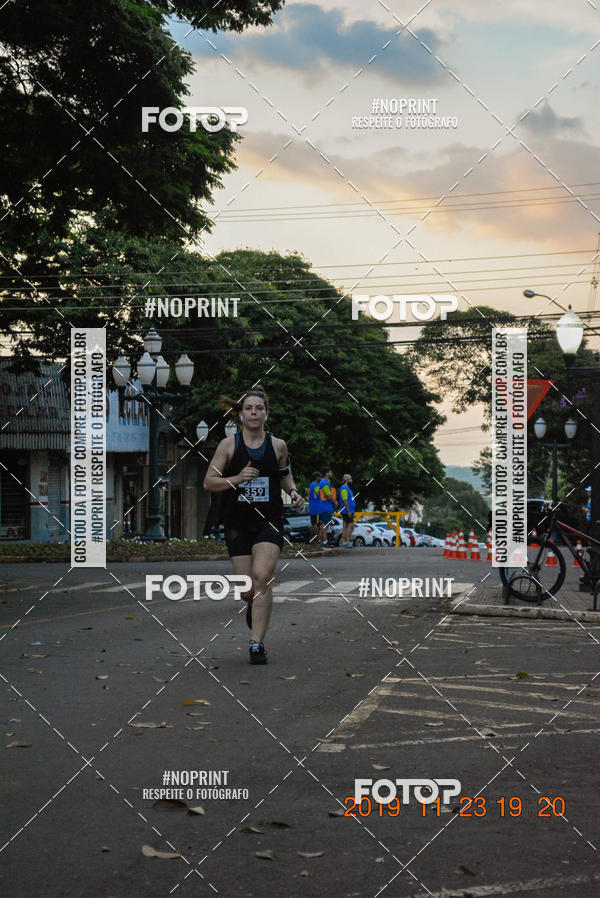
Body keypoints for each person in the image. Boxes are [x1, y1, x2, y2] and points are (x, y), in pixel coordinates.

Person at [203, 386, 304, 664]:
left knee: (262, 577)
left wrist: (293, 491)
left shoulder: (278, 446)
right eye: (249, 408)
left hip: (269, 521)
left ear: (266, 414)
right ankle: (253, 602)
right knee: (247, 589)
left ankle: (256, 643)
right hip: (237, 523)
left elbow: (284, 474)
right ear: (241, 414)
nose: (254, 413)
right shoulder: (229, 446)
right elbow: (209, 482)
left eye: (259, 408)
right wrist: (238, 478)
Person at [318, 468, 336, 546]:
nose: (332, 474)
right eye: (330, 472)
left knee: (324, 524)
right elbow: (328, 495)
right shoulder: (325, 483)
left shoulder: (323, 482)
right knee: (325, 524)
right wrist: (335, 502)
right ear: (326, 473)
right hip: (326, 506)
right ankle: (324, 542)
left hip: (324, 506)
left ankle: (321, 541)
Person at [339, 473, 356, 547]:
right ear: (346, 480)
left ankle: (344, 541)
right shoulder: (344, 488)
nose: (351, 481)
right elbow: (345, 500)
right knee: (350, 525)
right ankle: (347, 542)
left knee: (345, 526)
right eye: (350, 479)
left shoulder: (347, 488)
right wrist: (348, 510)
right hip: (346, 510)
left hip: (349, 510)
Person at [308, 470, 322, 542]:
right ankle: (316, 539)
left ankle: (313, 539)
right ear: (317, 477)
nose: (321, 478)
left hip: (312, 507)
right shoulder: (315, 485)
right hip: (316, 508)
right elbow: (319, 495)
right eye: (320, 477)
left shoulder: (312, 484)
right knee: (316, 524)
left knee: (314, 523)